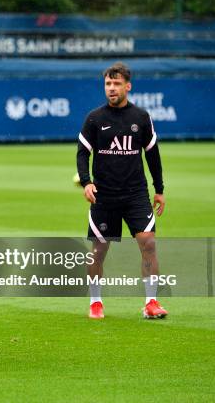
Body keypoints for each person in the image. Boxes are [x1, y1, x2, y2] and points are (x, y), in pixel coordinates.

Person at [76, 61, 167, 320]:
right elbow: (83, 153)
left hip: (136, 194)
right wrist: (87, 181)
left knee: (148, 243)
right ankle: (95, 302)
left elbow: (153, 155)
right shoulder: (94, 118)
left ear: (128, 86)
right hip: (104, 196)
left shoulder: (140, 117)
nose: (111, 88)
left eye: (116, 84)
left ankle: (151, 302)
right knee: (99, 251)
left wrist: (158, 189)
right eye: (108, 84)